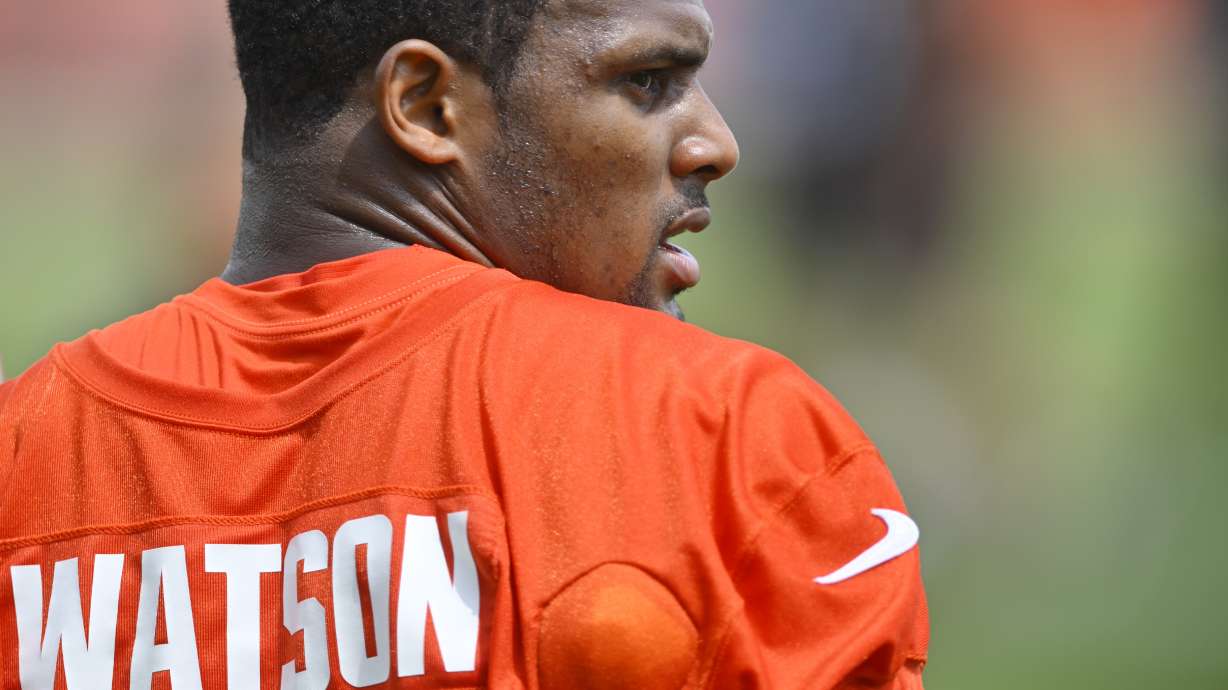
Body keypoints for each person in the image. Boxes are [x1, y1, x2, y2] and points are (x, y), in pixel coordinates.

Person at [0, 1, 928, 688]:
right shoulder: (721, 435)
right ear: (426, 105)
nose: (715, 143)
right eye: (647, 83)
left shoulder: (22, 454)